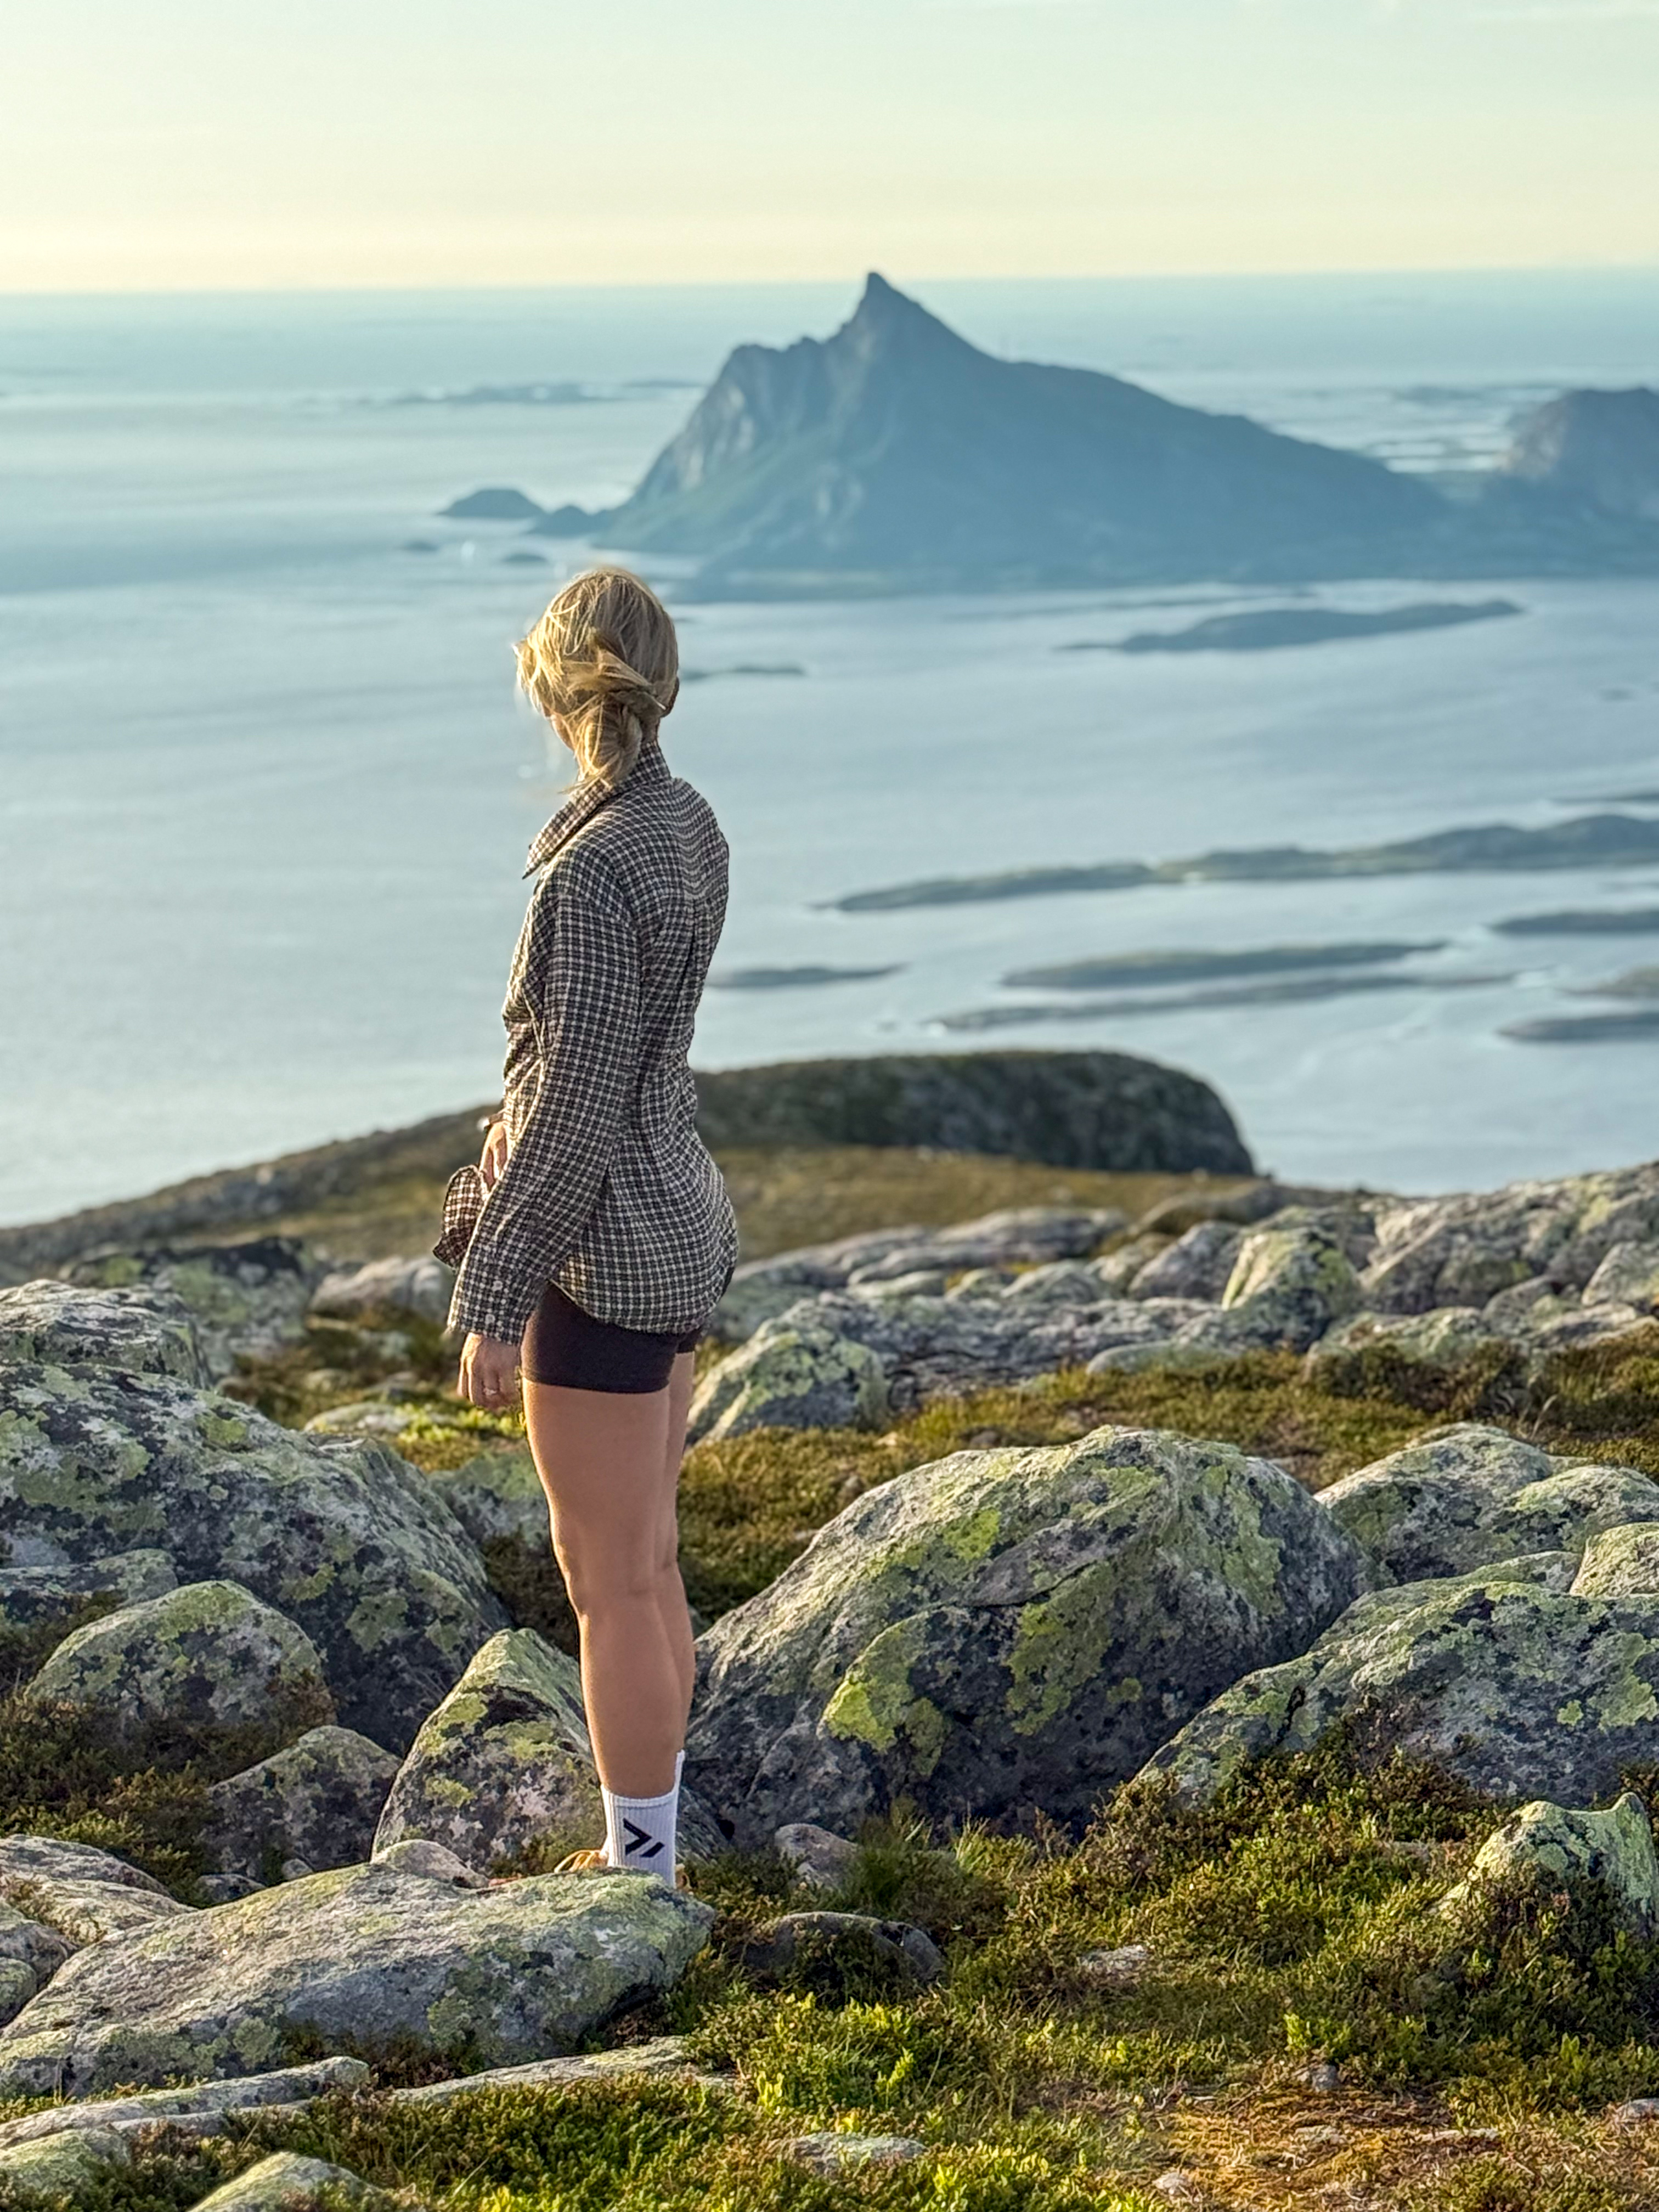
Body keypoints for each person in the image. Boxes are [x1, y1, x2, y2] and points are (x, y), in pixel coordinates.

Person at [441, 565, 738, 1885]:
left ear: (558, 690)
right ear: (659, 684)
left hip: (604, 1253)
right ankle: (652, 1841)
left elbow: (569, 1111)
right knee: (652, 1563)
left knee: (609, 1582)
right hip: (677, 1220)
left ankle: (640, 1871)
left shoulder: (591, 872)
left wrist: (493, 1293)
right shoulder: (690, 826)